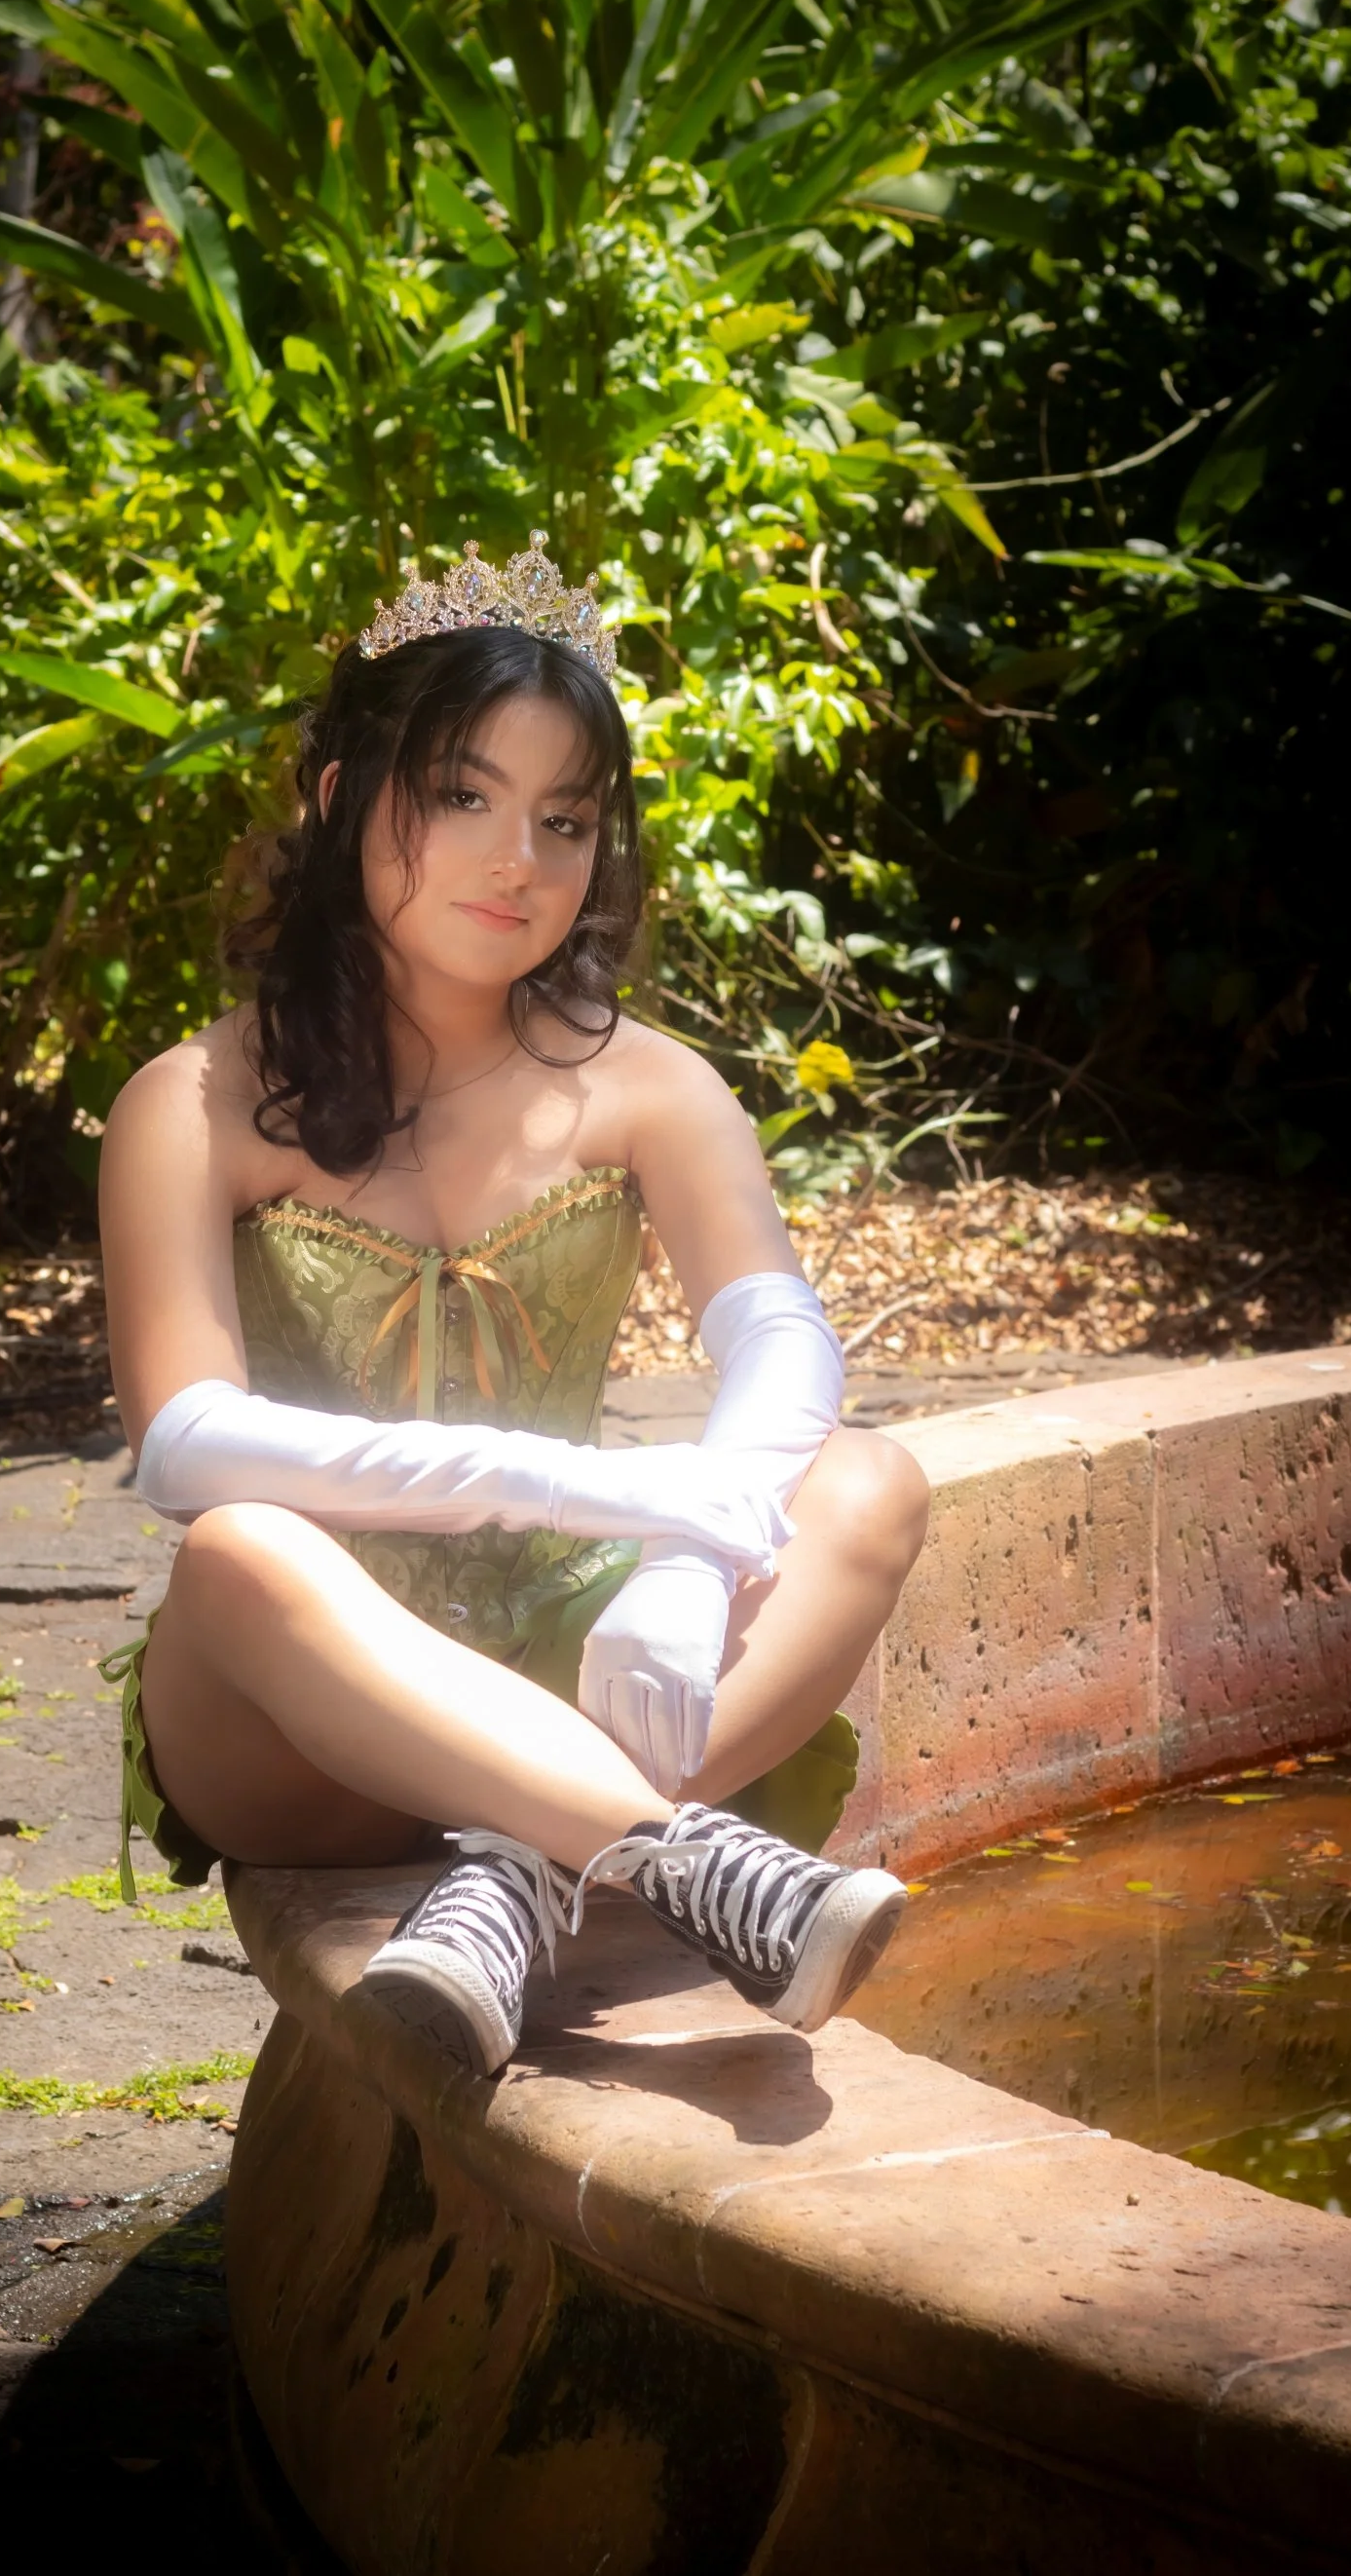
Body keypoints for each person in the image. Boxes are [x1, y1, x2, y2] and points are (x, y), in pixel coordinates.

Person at [98, 534, 930, 2079]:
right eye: (464, 797)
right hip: (295, 1709)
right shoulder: (191, 1099)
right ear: (342, 798)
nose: (519, 861)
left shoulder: (646, 1083)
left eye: (565, 819)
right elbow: (189, 1445)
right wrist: (591, 1486)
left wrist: (690, 1563)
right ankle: (676, 1854)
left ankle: (524, 1868)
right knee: (237, 1550)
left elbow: (781, 1341)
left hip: (580, 1650)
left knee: (873, 1481)